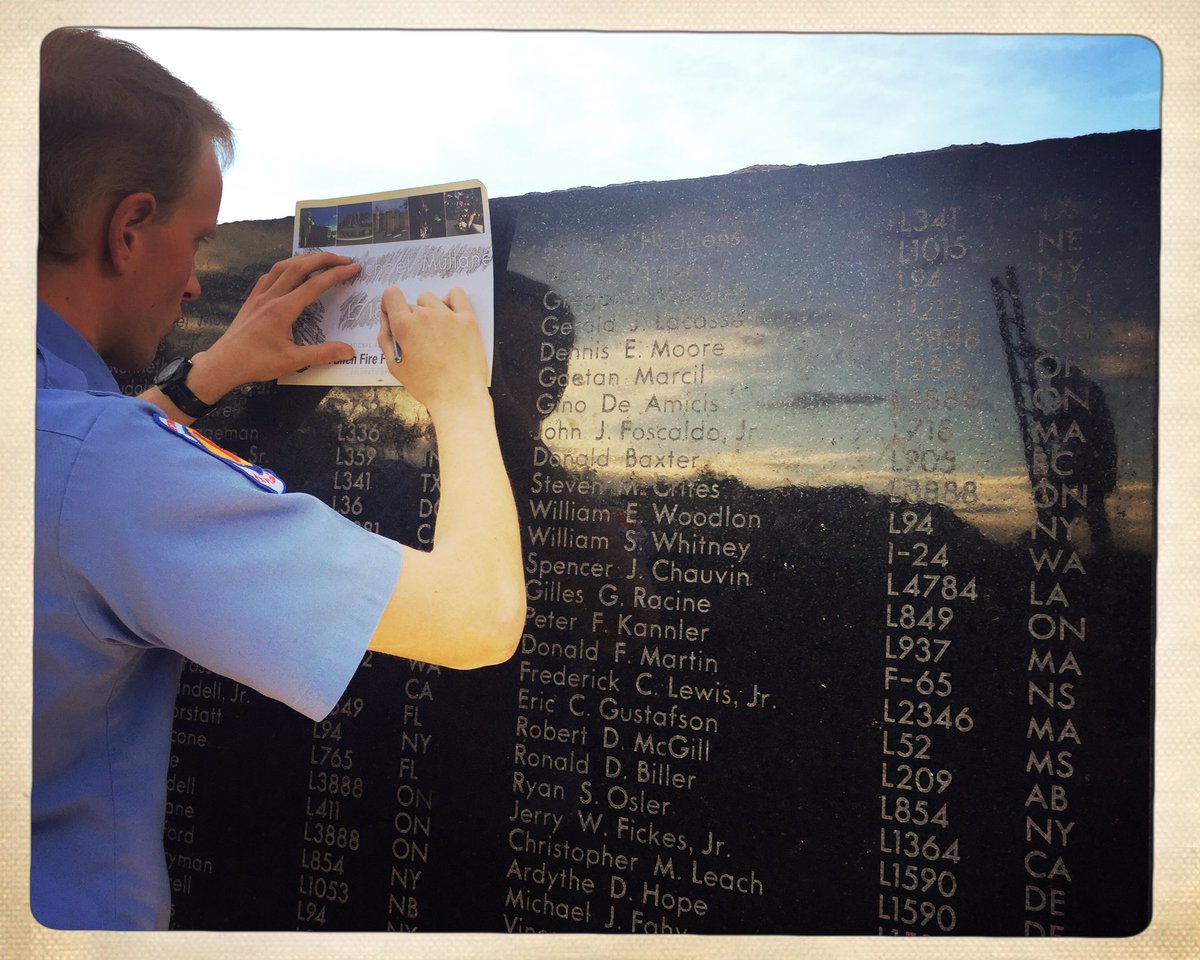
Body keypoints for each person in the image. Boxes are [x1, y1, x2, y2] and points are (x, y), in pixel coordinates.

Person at [34, 27, 524, 929]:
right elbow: (478, 619)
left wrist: (199, 381)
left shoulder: (69, 446)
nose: (194, 285)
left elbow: (67, 478)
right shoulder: (104, 468)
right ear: (129, 228)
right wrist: (458, 394)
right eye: (198, 239)